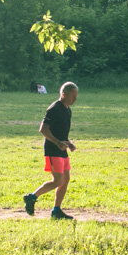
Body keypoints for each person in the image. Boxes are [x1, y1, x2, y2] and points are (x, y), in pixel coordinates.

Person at [23, 82, 78, 220]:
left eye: (76, 96)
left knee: (65, 180)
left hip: (61, 148)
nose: (75, 99)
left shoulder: (67, 110)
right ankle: (31, 197)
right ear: (63, 94)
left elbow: (60, 131)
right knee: (58, 181)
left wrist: (68, 143)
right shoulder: (54, 109)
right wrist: (58, 143)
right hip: (53, 149)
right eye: (72, 96)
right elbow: (43, 129)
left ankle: (56, 210)